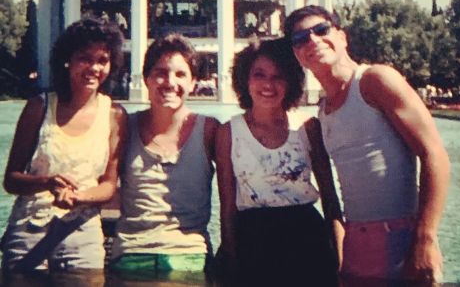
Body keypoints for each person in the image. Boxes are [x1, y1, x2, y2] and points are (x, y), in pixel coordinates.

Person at [284, 5, 451, 283]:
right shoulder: (323, 110)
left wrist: (425, 238)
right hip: (356, 246)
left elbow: (434, 154)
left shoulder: (375, 80)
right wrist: (341, 252)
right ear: (297, 54)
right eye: (300, 39)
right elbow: (332, 194)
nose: (312, 40)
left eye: (321, 30)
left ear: (342, 37)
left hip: (401, 241)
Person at [2, 18, 127, 273]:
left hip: (82, 236)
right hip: (29, 231)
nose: (94, 67)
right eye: (85, 58)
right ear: (67, 60)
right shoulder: (39, 107)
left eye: (102, 60)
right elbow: (11, 180)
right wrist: (47, 182)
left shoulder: (114, 115)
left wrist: (78, 197)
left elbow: (108, 185)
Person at [216, 37, 342, 286]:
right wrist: (230, 253)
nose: (268, 85)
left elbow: (329, 195)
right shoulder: (229, 132)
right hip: (252, 238)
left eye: (278, 76)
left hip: (306, 237)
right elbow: (227, 203)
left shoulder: (307, 126)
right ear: (245, 79)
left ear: (291, 81)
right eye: (259, 75)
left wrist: (339, 251)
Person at [110, 34, 218, 282]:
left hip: (190, 255)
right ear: (146, 79)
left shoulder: (210, 130)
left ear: (193, 82)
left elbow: (233, 190)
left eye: (181, 74)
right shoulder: (124, 125)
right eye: (160, 73)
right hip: (132, 253)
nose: (169, 82)